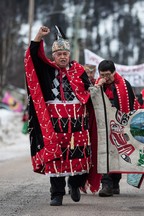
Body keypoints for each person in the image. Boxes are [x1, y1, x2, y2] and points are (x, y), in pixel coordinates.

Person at [24, 26, 100, 206]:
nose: (63, 57)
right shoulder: (47, 70)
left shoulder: (79, 70)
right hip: (55, 123)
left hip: (78, 123)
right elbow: (33, 57)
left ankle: (75, 184)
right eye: (59, 54)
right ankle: (56, 193)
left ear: (69, 54)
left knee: (80, 157)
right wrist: (38, 37)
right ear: (54, 56)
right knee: (56, 157)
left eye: (65, 53)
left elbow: (86, 91)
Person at [95, 59, 140, 196]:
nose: (105, 78)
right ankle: (106, 184)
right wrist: (98, 87)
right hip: (103, 126)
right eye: (102, 75)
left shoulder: (124, 85)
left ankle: (115, 183)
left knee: (119, 153)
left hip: (120, 125)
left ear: (114, 72)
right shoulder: (98, 85)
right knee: (105, 154)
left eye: (107, 75)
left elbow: (132, 106)